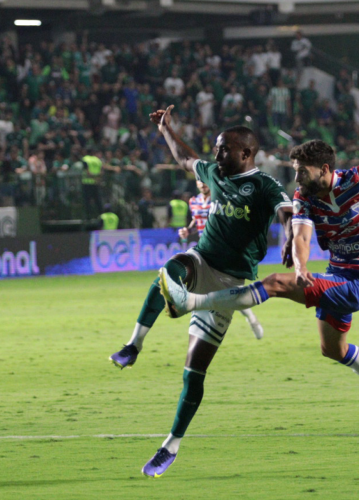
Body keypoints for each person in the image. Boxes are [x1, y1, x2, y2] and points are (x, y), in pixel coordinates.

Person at [161, 76, 359, 431]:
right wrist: (303, 264)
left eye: (301, 172)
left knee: (274, 283)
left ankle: (191, 303)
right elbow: (302, 236)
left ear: (324, 170)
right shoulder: (305, 197)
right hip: (336, 276)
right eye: (294, 172)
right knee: (332, 349)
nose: (297, 179)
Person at [109, 105, 293, 477]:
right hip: (202, 259)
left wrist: (289, 239)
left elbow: (287, 212)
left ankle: (170, 445)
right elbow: (185, 158)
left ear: (246, 153)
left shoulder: (264, 185)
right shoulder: (213, 172)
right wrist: (166, 130)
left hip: (230, 281)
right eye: (216, 147)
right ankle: (133, 345)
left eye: (224, 149)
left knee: (193, 373)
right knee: (168, 271)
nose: (216, 154)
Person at [178, 180, 265, 340]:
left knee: (223, 290)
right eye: (199, 181)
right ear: (196, 183)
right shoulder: (193, 201)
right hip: (204, 251)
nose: (202, 184)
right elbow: (196, 220)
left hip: (222, 249)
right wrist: (188, 230)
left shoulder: (220, 200)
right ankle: (208, 326)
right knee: (208, 290)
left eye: (205, 181)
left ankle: (249, 318)